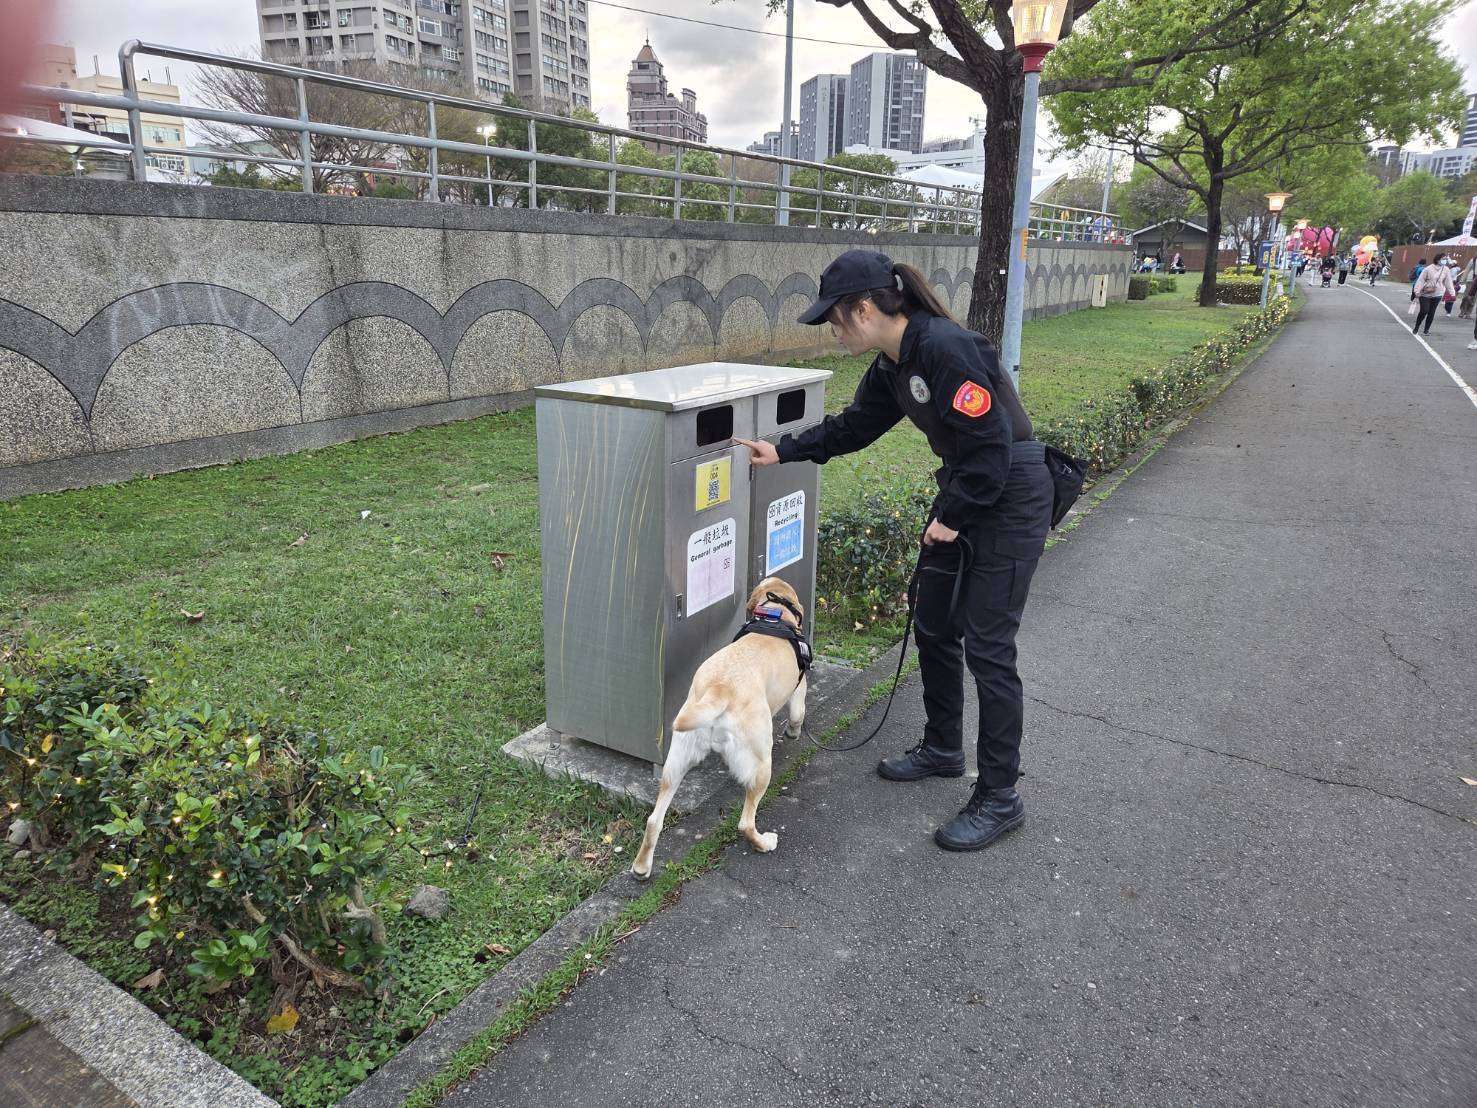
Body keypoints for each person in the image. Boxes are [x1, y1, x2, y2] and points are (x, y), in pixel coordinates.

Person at [737, 250, 1053, 853]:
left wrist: (951, 519)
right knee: (933, 624)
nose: (832, 332)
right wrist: (784, 450)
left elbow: (992, 445)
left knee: (989, 647)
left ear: (864, 308)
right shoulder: (892, 364)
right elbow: (855, 426)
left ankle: (1000, 796)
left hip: (1011, 493)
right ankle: (943, 746)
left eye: (834, 319)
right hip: (968, 488)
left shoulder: (945, 348)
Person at [1411, 256, 1454, 336]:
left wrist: (1452, 293)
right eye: (1443, 259)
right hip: (1425, 293)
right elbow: (1421, 280)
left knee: (1431, 312)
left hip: (1437, 294)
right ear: (1437, 259)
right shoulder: (1428, 269)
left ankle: (1426, 330)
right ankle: (1417, 326)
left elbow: (1448, 282)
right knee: (1424, 310)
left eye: (1445, 259)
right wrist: (1417, 291)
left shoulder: (1446, 269)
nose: (1445, 261)